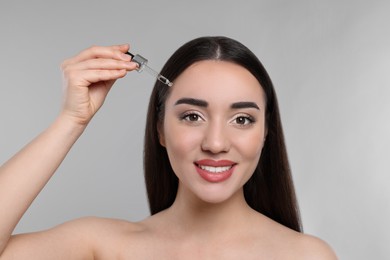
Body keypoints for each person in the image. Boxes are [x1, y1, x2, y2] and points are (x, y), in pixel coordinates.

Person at [0, 36, 337, 259]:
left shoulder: (306, 256)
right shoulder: (103, 246)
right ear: (160, 128)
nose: (216, 143)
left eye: (242, 119)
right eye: (192, 116)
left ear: (266, 133)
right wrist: (71, 121)